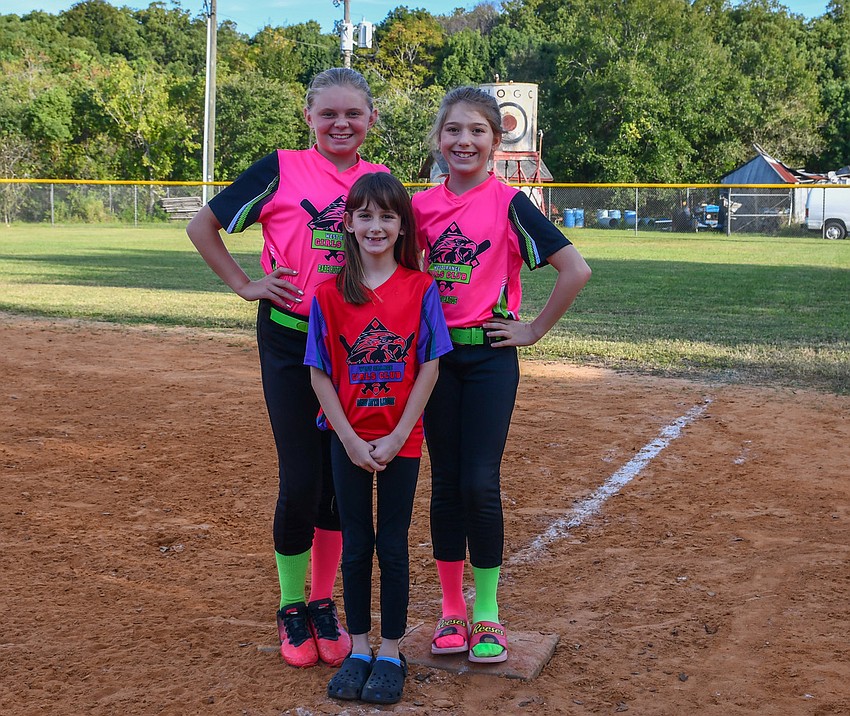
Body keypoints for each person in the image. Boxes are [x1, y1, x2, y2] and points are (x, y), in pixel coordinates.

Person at [186, 68, 389, 670]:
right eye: (328, 113)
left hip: (352, 350)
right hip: (289, 339)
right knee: (301, 476)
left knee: (337, 478)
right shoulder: (279, 167)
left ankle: (323, 602)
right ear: (308, 118)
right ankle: (290, 604)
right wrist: (245, 284)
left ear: (371, 121)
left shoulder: (379, 184)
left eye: (353, 114)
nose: (341, 124)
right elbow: (204, 225)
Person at [412, 86, 592, 664]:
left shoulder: (511, 203)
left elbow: (574, 268)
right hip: (435, 360)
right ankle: (451, 611)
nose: (464, 141)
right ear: (438, 140)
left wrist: (533, 329)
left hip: (490, 359)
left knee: (479, 483)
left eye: (477, 131)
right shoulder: (418, 208)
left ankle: (486, 613)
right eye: (453, 130)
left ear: (496, 140)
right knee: (444, 483)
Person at [305, 172, 452, 704]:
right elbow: (319, 373)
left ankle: (391, 651)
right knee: (355, 545)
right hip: (348, 440)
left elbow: (430, 365)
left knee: (390, 545)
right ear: (347, 224)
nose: (376, 225)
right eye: (364, 215)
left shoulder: (421, 288)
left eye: (387, 216)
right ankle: (360, 647)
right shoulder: (329, 293)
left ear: (402, 226)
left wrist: (397, 435)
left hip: (401, 442)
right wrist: (347, 438)